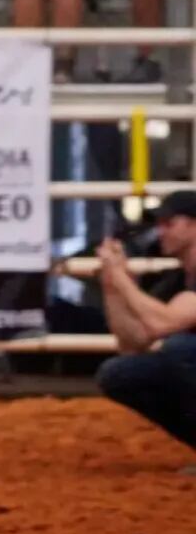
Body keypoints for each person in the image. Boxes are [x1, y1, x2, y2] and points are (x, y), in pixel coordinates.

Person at [92, 191, 196, 455]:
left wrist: (121, 277)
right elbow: (134, 342)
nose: (160, 232)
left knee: (180, 349)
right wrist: (112, 286)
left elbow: (162, 324)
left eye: (168, 223)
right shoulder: (176, 280)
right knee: (119, 373)